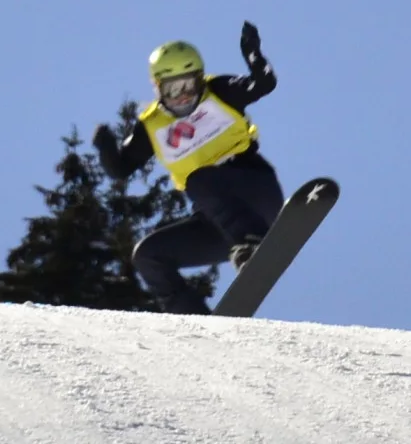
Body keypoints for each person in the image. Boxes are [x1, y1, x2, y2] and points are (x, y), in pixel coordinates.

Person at [93, 21, 285, 315]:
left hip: (253, 189)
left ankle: (253, 242)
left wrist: (253, 54)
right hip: (217, 220)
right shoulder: (153, 125)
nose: (183, 95)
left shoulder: (219, 91)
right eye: (173, 89)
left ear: (199, 79)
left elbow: (263, 84)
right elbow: (121, 169)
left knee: (199, 180)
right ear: (158, 88)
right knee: (148, 256)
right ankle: (194, 319)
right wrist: (105, 147)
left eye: (189, 84)